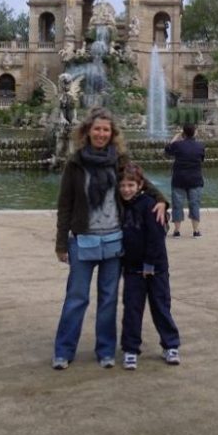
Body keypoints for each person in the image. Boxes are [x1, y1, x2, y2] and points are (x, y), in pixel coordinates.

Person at [52, 108, 167, 370]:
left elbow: (143, 185)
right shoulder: (75, 162)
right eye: (97, 129)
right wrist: (60, 243)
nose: (101, 134)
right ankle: (63, 350)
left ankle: (105, 350)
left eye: (106, 130)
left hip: (115, 242)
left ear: (112, 134)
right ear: (88, 131)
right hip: (82, 240)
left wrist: (162, 201)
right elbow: (65, 205)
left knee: (108, 299)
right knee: (76, 298)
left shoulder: (120, 160)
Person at [118, 163, 181, 370]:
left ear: (140, 185)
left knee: (161, 306)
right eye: (123, 186)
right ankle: (130, 348)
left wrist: (150, 264)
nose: (126, 189)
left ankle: (171, 344)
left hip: (155, 268)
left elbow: (156, 237)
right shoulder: (120, 205)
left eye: (131, 185)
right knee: (132, 309)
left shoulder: (150, 204)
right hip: (132, 268)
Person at [164, 123, 205, 238]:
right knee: (195, 204)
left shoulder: (177, 145)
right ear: (194, 132)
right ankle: (196, 231)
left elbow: (167, 150)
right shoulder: (200, 146)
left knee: (177, 205)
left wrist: (176, 137)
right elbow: (201, 159)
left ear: (184, 133)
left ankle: (177, 231)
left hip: (179, 179)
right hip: (195, 180)